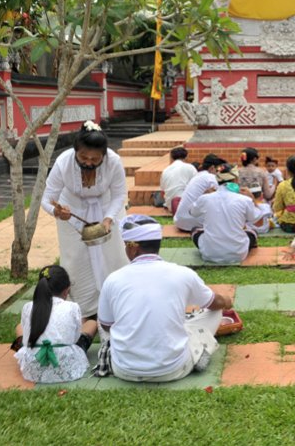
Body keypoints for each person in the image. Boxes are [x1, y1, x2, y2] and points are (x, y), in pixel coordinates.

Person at [97, 215, 233, 383]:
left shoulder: (113, 279)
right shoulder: (183, 273)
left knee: (102, 316)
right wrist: (227, 301)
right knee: (214, 313)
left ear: (133, 248)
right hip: (173, 369)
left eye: (126, 246)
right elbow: (215, 304)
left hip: (124, 369)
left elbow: (106, 325)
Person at [41, 120, 129, 318]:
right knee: (76, 259)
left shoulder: (113, 161)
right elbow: (46, 199)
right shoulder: (64, 162)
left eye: (95, 159)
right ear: (75, 152)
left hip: (107, 209)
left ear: (104, 156)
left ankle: (116, 301)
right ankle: (84, 309)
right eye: (83, 157)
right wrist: (57, 212)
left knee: (114, 255)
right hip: (72, 214)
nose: (88, 162)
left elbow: (118, 194)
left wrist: (108, 219)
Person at [14, 265, 97, 383]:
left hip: (33, 367)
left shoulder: (28, 307)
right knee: (92, 323)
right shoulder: (72, 307)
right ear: (67, 290)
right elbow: (75, 338)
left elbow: (27, 338)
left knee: (19, 327)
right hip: (67, 365)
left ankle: (24, 353)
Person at [190, 165, 266, 264]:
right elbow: (259, 223)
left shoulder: (205, 198)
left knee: (195, 231)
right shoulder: (245, 200)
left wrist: (204, 195)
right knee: (252, 232)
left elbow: (192, 212)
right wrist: (252, 199)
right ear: (235, 179)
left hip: (209, 254)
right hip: (238, 253)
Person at [173, 153, 226, 232]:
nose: (219, 173)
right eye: (218, 170)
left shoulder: (197, 176)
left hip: (180, 221)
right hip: (194, 222)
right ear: (212, 168)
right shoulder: (210, 177)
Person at [159, 146, 197, 215]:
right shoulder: (190, 167)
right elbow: (197, 186)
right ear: (186, 157)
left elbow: (162, 193)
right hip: (186, 205)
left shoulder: (165, 170)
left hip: (171, 206)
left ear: (171, 157)